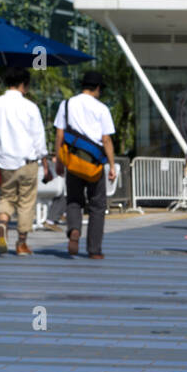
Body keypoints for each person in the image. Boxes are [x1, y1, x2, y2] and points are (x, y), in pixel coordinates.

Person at [0, 67, 47, 256]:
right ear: (24, 85)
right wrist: (44, 158)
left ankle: (2, 224)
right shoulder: (31, 107)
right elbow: (39, 138)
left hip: (3, 161)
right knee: (26, 202)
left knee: (5, 197)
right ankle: (21, 244)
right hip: (27, 162)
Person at [54, 70, 116, 260]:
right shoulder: (102, 109)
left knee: (74, 200)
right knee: (97, 205)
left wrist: (59, 160)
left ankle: (74, 229)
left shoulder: (66, 104)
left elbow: (59, 135)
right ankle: (94, 250)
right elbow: (106, 140)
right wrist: (112, 165)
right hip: (94, 165)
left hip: (73, 161)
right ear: (97, 88)